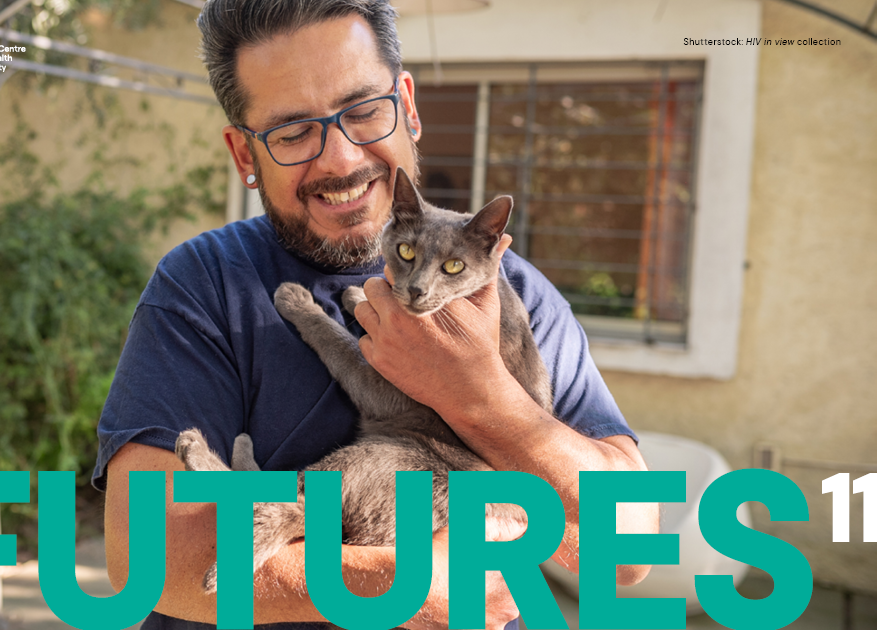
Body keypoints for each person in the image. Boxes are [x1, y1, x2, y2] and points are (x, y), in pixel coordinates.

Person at [93, 1, 658, 629]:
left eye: (363, 112)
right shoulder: (207, 285)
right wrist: (389, 583)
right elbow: (145, 555)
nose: (338, 159)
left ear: (407, 107)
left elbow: (626, 547)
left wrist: (485, 399)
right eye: (292, 132)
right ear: (244, 155)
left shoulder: (518, 293)